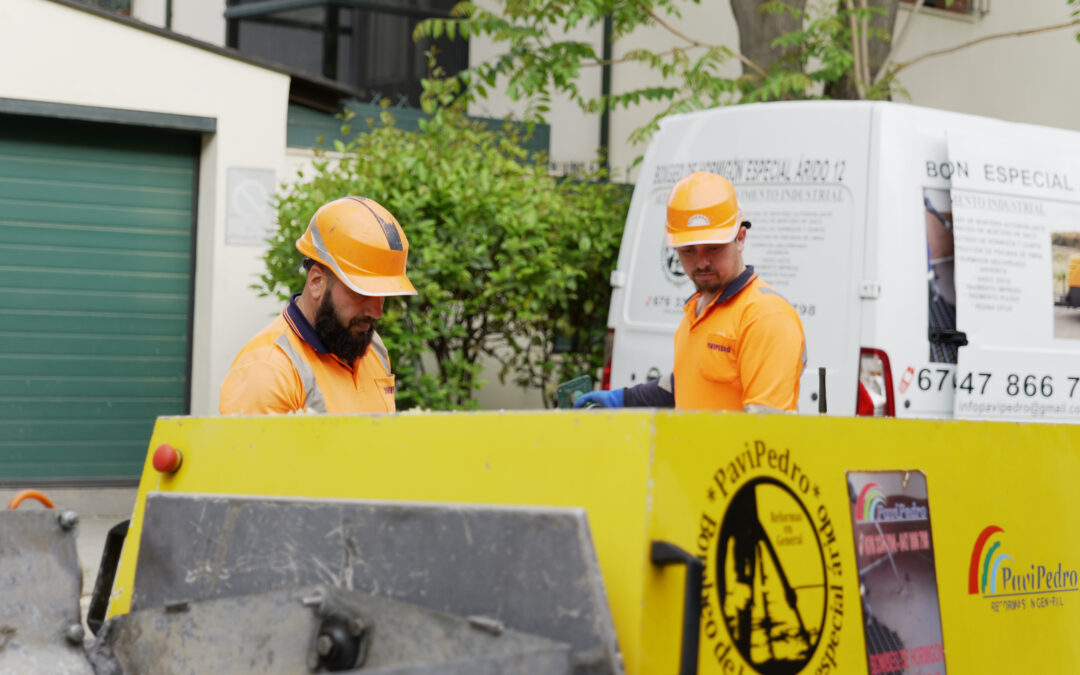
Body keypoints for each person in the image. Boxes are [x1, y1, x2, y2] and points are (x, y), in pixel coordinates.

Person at [575, 172, 805, 412]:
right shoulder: (698, 308)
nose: (702, 262)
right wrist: (623, 399)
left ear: (740, 238)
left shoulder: (766, 317)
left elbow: (766, 434)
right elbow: (682, 384)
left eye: (714, 248)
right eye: (688, 251)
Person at [219, 196, 416, 414]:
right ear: (316, 282)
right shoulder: (268, 370)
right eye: (362, 293)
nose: (377, 312)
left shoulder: (372, 347)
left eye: (383, 295)